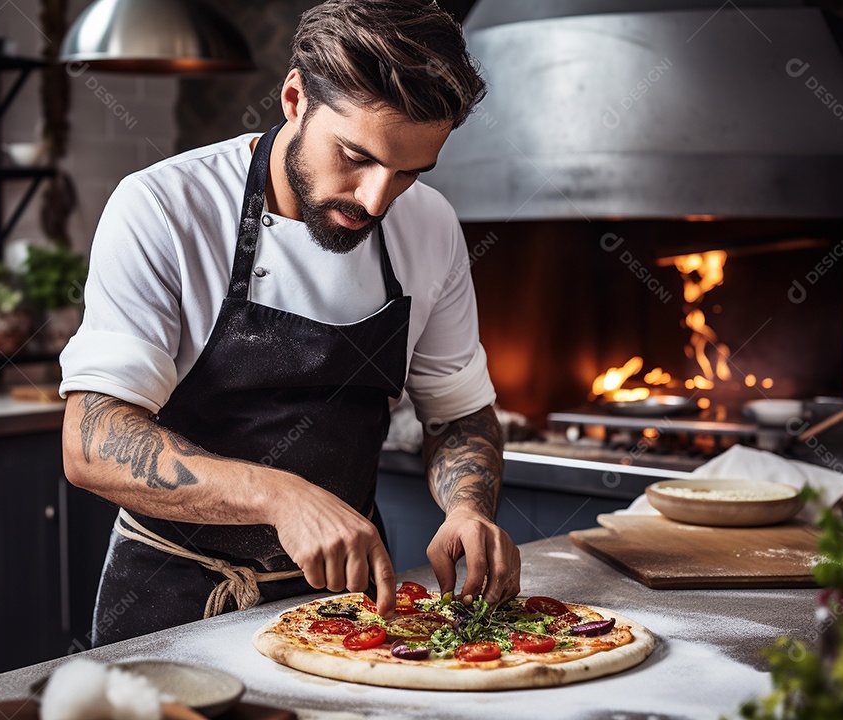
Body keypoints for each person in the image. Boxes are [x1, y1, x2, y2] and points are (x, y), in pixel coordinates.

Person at [59, 0, 521, 647]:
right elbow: (92, 443)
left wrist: (468, 508)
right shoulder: (165, 206)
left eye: (409, 173)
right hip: (175, 603)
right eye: (355, 156)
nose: (375, 198)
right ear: (295, 97)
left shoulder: (431, 225)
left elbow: (459, 415)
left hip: (354, 608)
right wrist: (279, 496)